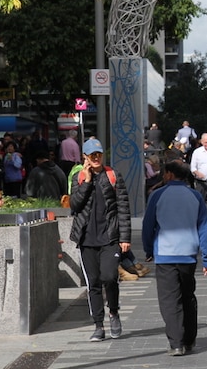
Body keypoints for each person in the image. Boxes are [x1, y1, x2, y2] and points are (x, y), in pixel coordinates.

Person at [143, 160, 207, 357]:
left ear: (169, 174)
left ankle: (176, 343)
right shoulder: (195, 196)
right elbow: (204, 227)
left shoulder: (157, 195)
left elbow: (148, 225)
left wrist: (149, 249)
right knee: (187, 296)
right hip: (188, 255)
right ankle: (189, 339)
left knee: (169, 300)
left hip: (165, 254)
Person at [69, 138, 132, 342]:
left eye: (99, 154)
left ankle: (113, 312)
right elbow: (75, 206)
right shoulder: (78, 178)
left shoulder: (113, 176)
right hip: (86, 239)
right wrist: (87, 181)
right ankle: (98, 325)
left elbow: (123, 208)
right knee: (93, 283)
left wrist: (125, 237)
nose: (96, 158)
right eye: (92, 155)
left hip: (109, 238)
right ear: (85, 158)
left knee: (109, 277)